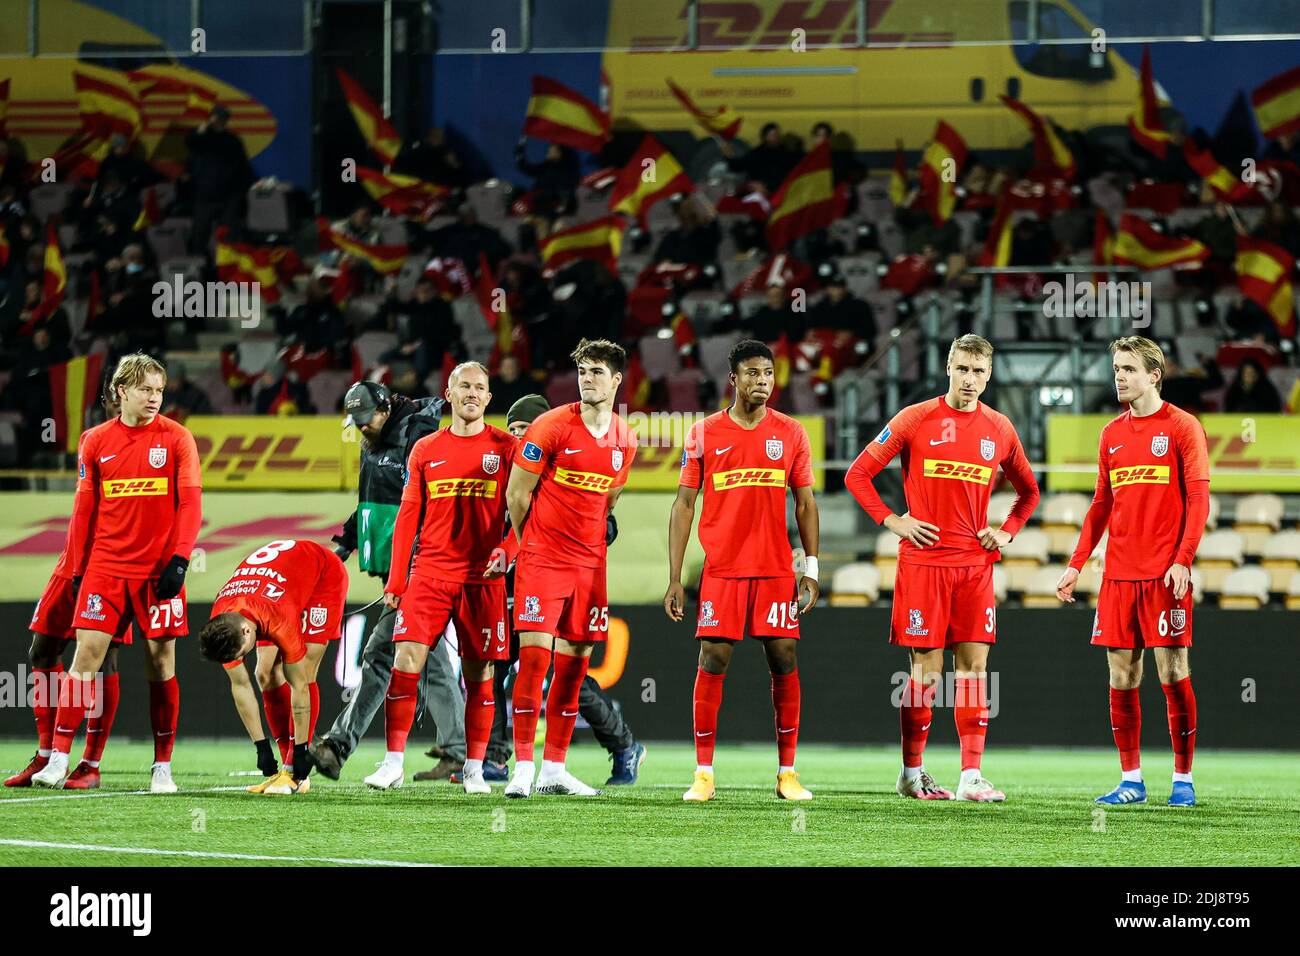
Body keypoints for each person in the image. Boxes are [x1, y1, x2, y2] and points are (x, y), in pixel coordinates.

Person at [844, 334, 1040, 802]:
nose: (970, 380)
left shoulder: (1000, 429)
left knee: (974, 669)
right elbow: (857, 474)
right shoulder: (914, 419)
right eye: (962, 369)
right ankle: (912, 772)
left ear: (989, 376)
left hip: (974, 565)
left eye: (979, 372)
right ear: (948, 369)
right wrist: (893, 520)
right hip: (924, 564)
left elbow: (1029, 492)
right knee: (926, 674)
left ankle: (971, 776)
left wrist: (1008, 531)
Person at [32, 353, 202, 793]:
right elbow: (83, 510)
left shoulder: (179, 440)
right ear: (122, 390)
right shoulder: (94, 441)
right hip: (106, 568)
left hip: (157, 572)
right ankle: (59, 759)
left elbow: (191, 506)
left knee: (161, 664)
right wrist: (75, 566)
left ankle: (161, 767)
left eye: (160, 390)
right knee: (84, 657)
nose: (154, 398)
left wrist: (180, 559)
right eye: (146, 389)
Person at [664, 339, 822, 802]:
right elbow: (683, 504)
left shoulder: (791, 433)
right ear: (733, 379)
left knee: (784, 659)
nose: (762, 382)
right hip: (723, 570)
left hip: (774, 570)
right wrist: (675, 577)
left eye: (769, 374)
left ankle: (787, 773)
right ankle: (704, 774)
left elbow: (806, 503)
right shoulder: (704, 433)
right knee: (713, 659)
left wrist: (809, 566)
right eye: (752, 373)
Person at [1056, 336, 1209, 808]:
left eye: (1128, 368)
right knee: (1122, 675)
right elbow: (1101, 505)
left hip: (1164, 574)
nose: (1119, 376)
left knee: (1173, 669)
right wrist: (1075, 563)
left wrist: (1183, 559)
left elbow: (1199, 500)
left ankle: (1182, 779)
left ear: (1153, 375)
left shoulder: (1183, 427)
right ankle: (1132, 780)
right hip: (1118, 574)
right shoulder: (1111, 433)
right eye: (1116, 368)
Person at [363, 362, 517, 794]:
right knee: (405, 661)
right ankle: (393, 762)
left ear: (489, 399)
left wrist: (508, 551)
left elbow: (525, 515)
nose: (472, 392)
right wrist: (396, 582)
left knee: (480, 675)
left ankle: (472, 768)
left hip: (482, 579)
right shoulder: (426, 449)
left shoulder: (507, 448)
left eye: (480, 387)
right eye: (464, 385)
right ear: (448, 395)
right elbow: (408, 517)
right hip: (429, 572)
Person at [483, 394, 647, 786]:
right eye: (515, 430)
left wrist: (522, 547)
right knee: (497, 666)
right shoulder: (501, 464)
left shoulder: (555, 459)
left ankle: (619, 744)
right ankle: (494, 758)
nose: (520, 436)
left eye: (527, 429)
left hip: (541, 567)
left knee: (563, 667)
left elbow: (603, 518)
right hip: (506, 575)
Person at [308, 382, 468, 783]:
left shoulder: (418, 438)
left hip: (419, 570)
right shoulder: (377, 442)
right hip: (395, 568)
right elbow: (369, 501)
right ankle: (458, 751)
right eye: (357, 422)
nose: (361, 428)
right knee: (429, 662)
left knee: (380, 656)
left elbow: (430, 504)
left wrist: (412, 565)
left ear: (386, 407)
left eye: (366, 420)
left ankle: (337, 746)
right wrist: (345, 541)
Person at [198, 538, 349, 795]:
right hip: (274, 589)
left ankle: (293, 771)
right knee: (264, 674)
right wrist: (261, 747)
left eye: (242, 652)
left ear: (247, 631)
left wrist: (301, 752)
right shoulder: (223, 620)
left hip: (323, 577)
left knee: (304, 670)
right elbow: (240, 684)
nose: (241, 657)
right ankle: (283, 770)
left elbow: (300, 685)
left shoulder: (279, 620)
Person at [185, 104, 254, 255]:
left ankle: (230, 265)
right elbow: (190, 141)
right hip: (205, 194)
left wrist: (251, 184)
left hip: (229, 195)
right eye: (215, 118)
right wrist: (203, 128)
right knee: (200, 234)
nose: (218, 121)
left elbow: (243, 166)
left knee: (230, 233)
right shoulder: (200, 137)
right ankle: (201, 269)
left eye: (222, 118)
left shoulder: (232, 140)